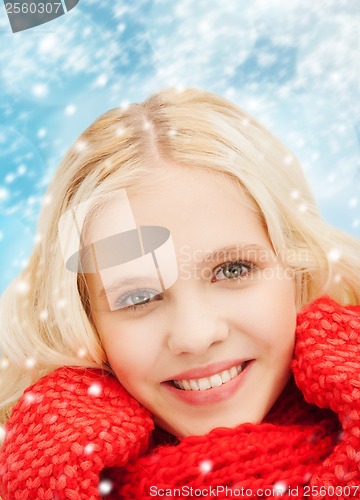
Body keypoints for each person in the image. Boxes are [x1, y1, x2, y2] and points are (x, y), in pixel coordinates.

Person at [0, 87, 359, 499]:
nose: (195, 335)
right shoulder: (37, 474)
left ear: (295, 268)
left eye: (232, 269)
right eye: (138, 297)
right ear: (87, 322)